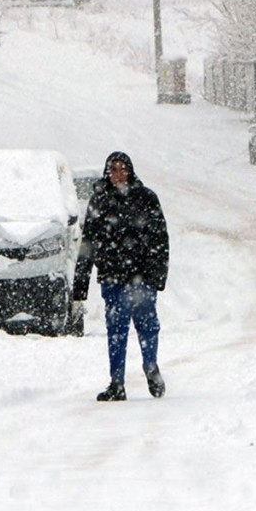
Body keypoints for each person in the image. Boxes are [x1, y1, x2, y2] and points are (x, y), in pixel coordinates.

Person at [72, 151, 169, 402]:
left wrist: (157, 275)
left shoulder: (146, 199)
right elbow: (88, 243)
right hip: (112, 277)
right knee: (116, 330)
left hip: (141, 277)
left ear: (130, 171)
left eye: (122, 168)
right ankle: (117, 382)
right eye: (113, 169)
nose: (117, 174)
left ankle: (150, 366)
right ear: (107, 172)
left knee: (147, 326)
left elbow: (160, 238)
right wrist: (80, 283)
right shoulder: (99, 201)